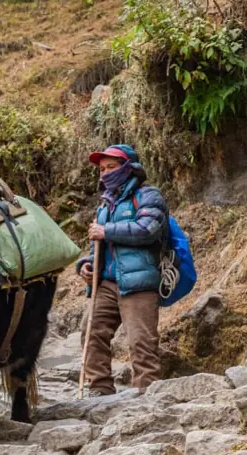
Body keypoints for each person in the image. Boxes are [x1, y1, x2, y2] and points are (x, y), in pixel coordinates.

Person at [76, 144, 168, 395]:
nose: (105, 173)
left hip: (139, 281)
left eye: (111, 167)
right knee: (91, 331)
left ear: (129, 168)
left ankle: (147, 394)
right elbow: (99, 247)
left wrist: (107, 231)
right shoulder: (105, 205)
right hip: (107, 282)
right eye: (102, 169)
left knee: (141, 341)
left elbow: (148, 229)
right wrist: (85, 265)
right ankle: (100, 388)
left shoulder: (148, 195)